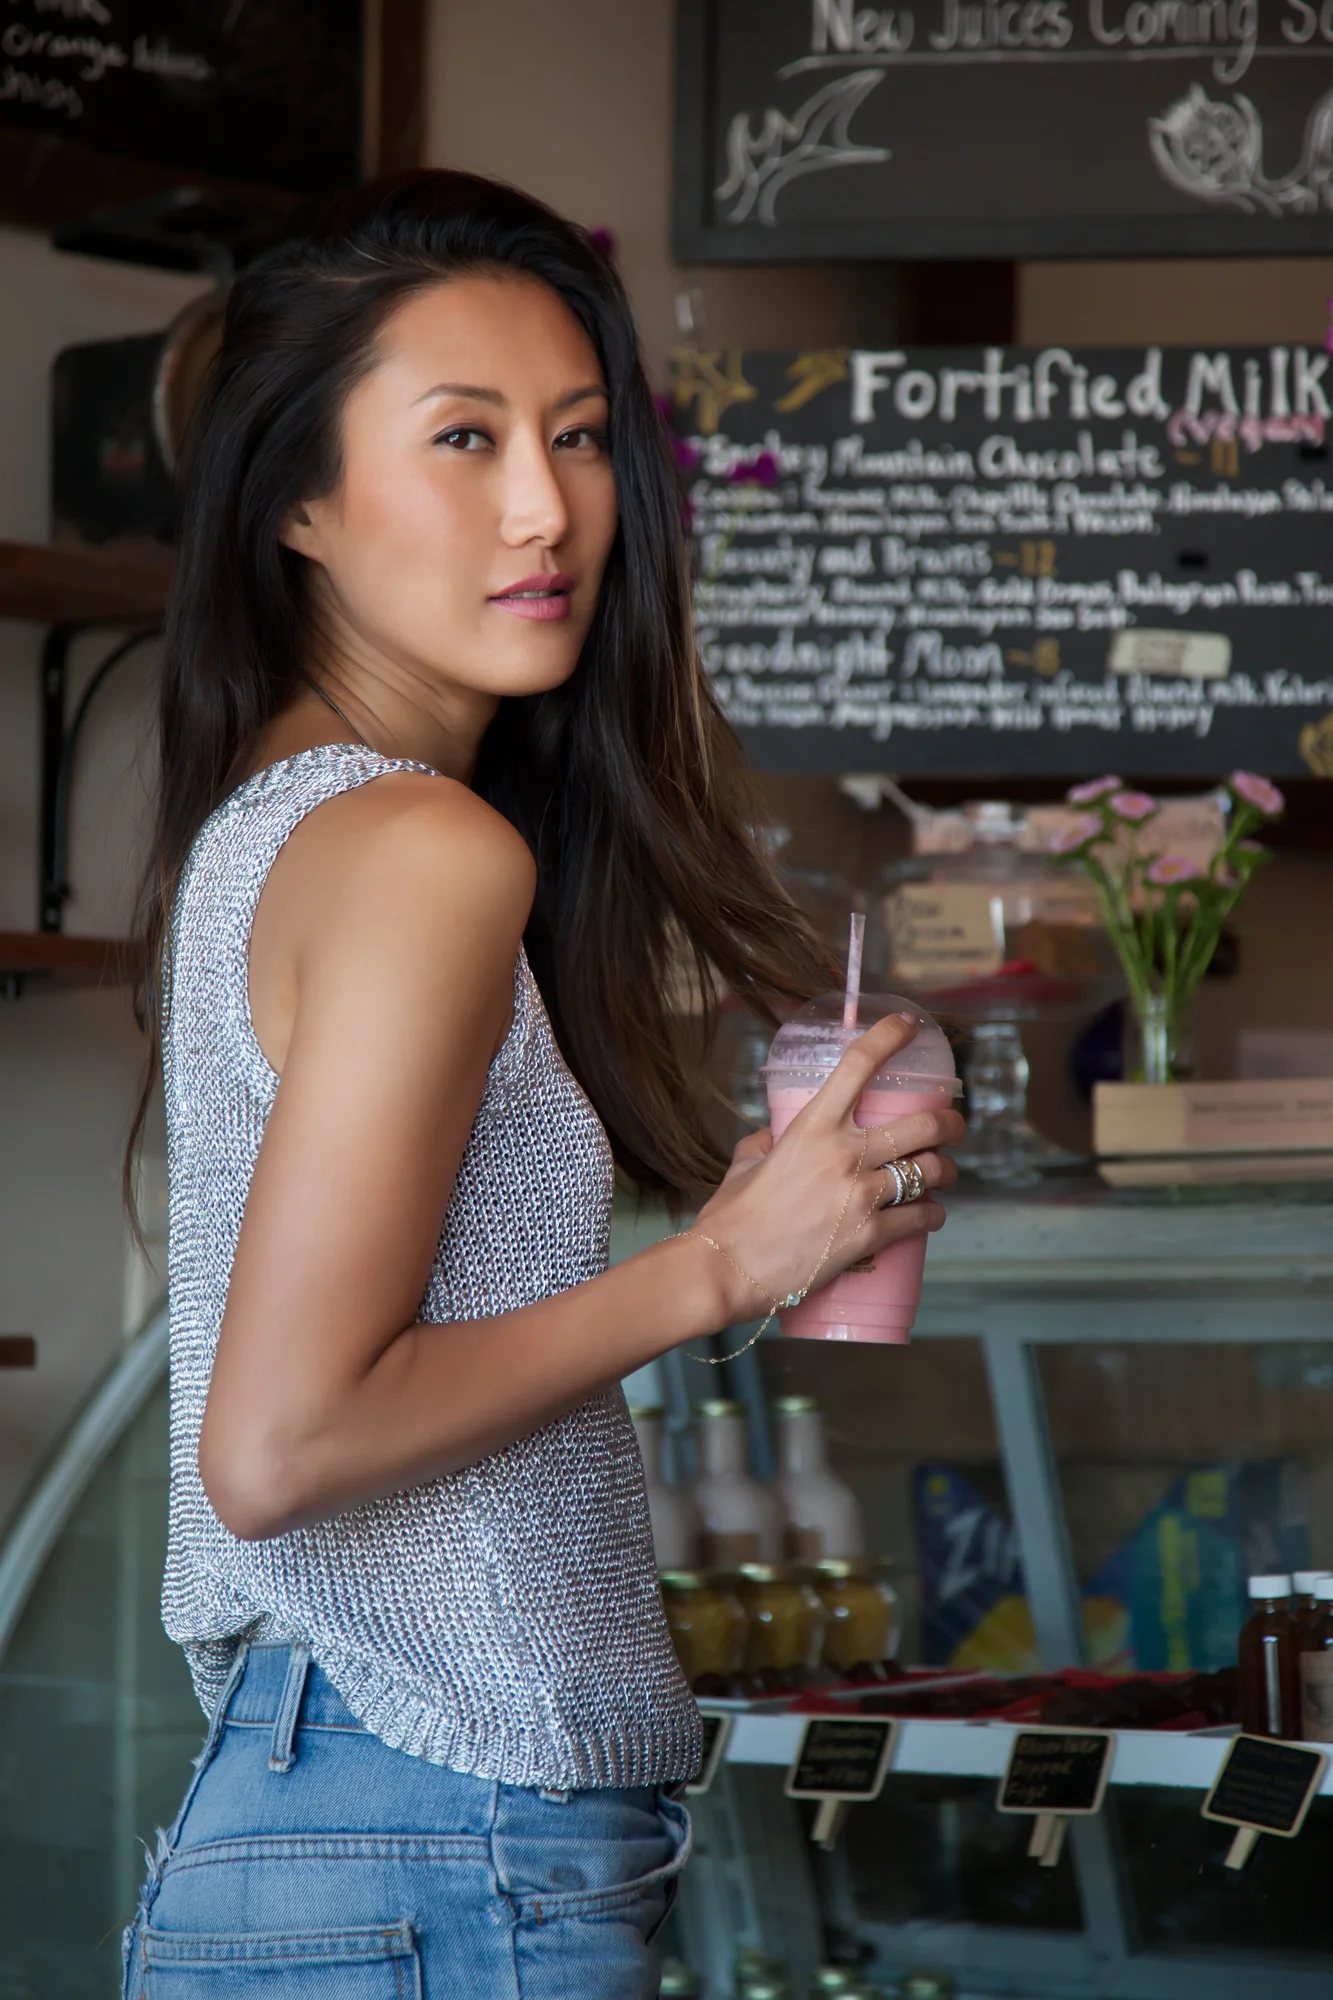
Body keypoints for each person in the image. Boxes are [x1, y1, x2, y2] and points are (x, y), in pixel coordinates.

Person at [120, 169, 962, 1999]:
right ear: (297, 506)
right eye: (464, 437)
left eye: (578, 436)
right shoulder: (420, 850)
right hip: (440, 1825)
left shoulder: (287, 825)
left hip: (361, 1817)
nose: (544, 506)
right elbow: (279, 1447)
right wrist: (726, 1265)